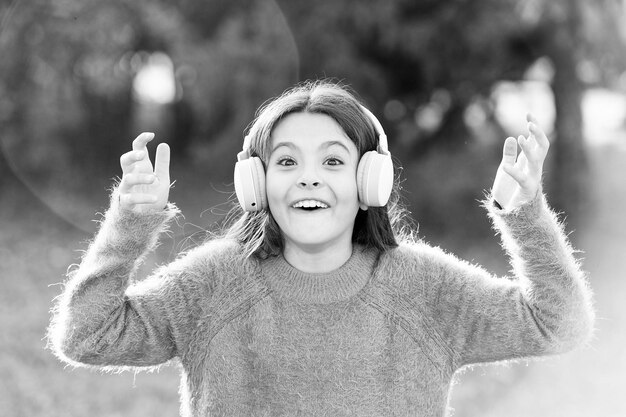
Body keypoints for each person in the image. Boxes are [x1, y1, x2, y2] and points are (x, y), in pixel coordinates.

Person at [48, 80, 594, 416]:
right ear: (256, 185)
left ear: (369, 182)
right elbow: (86, 335)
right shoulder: (212, 283)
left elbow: (560, 322)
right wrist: (130, 224)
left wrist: (524, 215)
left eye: (332, 161)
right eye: (287, 162)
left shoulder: (425, 287)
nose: (309, 179)